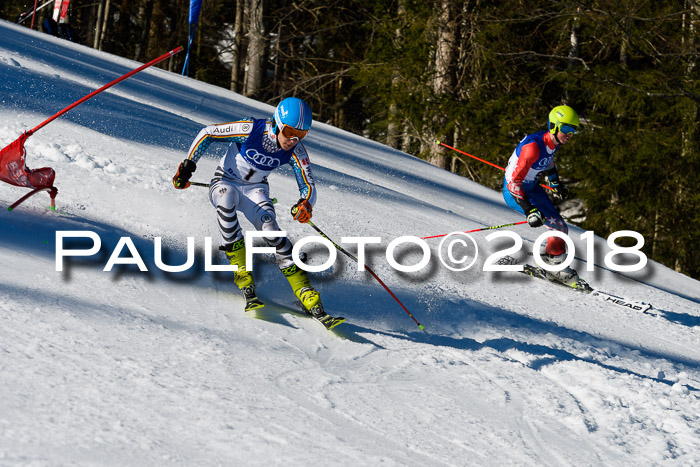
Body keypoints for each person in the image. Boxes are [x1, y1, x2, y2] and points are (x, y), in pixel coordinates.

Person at [172, 97, 344, 329]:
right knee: (226, 199)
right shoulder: (250, 129)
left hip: (256, 190)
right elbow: (208, 133)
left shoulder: (296, 151)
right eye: (290, 131)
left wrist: (306, 203)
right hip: (225, 182)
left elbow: (308, 184)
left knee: (271, 230)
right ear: (277, 123)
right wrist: (187, 166)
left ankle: (304, 290)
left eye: (301, 134)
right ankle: (242, 271)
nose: (293, 139)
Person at [502, 104, 583, 288]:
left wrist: (555, 182)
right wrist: (528, 210)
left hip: (533, 187)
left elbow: (548, 161)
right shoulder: (533, 147)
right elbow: (513, 183)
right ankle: (554, 266)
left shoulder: (553, 142)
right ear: (554, 126)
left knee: (560, 227)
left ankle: (551, 262)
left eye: (573, 130)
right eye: (566, 128)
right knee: (557, 227)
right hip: (516, 191)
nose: (570, 134)